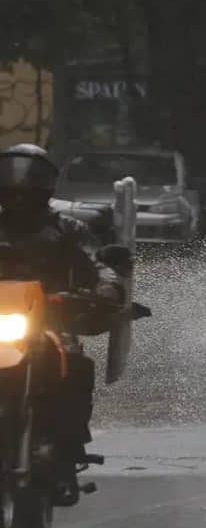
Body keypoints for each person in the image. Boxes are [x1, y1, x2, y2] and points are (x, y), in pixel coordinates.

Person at [0, 144, 125, 505]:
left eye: (29, 181)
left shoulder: (66, 228)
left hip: (49, 321)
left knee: (73, 362)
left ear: (46, 185)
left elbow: (97, 263)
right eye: (12, 181)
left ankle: (67, 454)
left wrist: (106, 286)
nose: (20, 190)